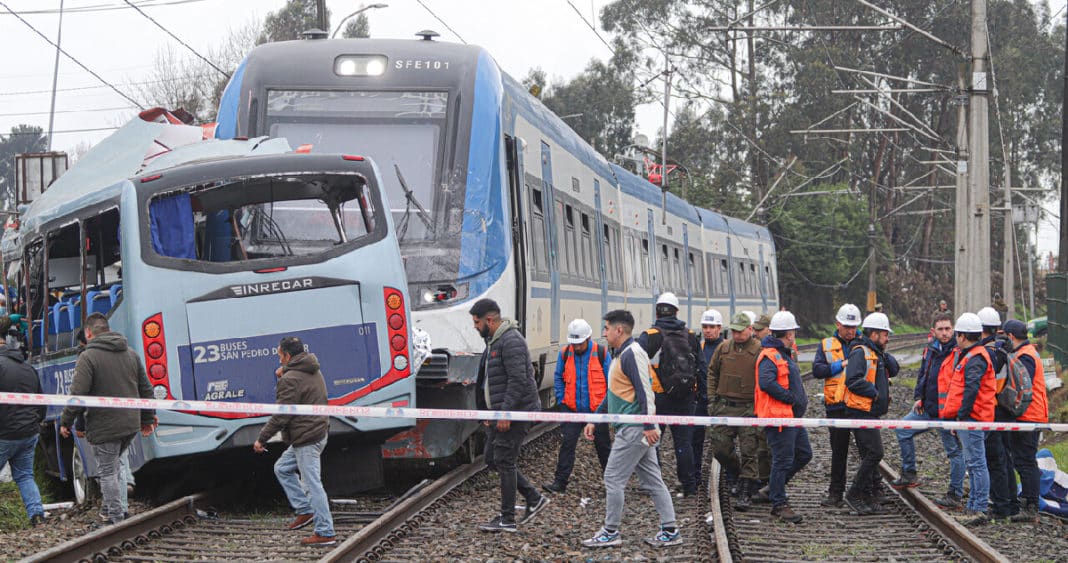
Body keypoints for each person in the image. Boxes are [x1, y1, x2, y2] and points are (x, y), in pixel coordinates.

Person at [583, 310, 681, 548]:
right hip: (635, 426)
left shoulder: (632, 354)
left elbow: (644, 391)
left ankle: (611, 531)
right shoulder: (621, 355)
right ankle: (670, 530)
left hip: (634, 428)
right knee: (653, 480)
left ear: (619, 330)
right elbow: (614, 394)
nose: (603, 333)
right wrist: (595, 419)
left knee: (612, 478)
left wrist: (648, 425)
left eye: (606, 328)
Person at [59, 313, 156, 525]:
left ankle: (114, 518)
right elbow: (146, 388)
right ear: (108, 329)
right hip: (130, 424)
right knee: (114, 466)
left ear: (88, 333)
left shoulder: (88, 357)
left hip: (105, 425)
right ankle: (108, 509)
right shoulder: (130, 353)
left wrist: (65, 422)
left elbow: (78, 394)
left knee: (108, 472)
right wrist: (147, 419)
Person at [469, 299, 548, 533]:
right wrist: (488, 412)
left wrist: (505, 413)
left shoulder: (510, 341)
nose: (475, 326)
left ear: (489, 320)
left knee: (504, 460)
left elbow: (518, 380)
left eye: (477, 322)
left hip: (515, 412)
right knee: (492, 458)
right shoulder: (494, 341)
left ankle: (507, 519)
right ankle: (534, 498)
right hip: (500, 413)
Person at [253, 337, 336, 546]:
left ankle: (325, 532)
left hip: (306, 437)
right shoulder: (312, 368)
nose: (279, 359)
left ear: (288, 356)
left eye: (280, 355)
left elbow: (282, 414)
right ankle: (305, 510)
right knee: (282, 468)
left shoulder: (290, 379)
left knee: (312, 485)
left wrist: (262, 439)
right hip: (316, 432)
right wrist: (285, 374)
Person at [891, 312, 966, 510]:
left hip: (947, 413)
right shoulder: (930, 350)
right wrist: (918, 397)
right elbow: (923, 374)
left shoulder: (958, 352)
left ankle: (955, 494)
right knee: (902, 430)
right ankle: (909, 473)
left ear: (954, 330)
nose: (945, 333)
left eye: (948, 329)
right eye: (940, 329)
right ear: (933, 331)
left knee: (954, 452)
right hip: (927, 408)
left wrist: (956, 415)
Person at [637, 292, 701, 497]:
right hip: (685, 397)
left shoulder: (651, 335)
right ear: (677, 311)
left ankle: (654, 484)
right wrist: (700, 396)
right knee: (683, 443)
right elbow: (701, 366)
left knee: (654, 441)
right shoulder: (690, 335)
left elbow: (634, 363)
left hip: (659, 398)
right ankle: (689, 485)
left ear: (657, 311)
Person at [941, 313, 998, 526]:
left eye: (957, 334)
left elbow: (971, 388)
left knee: (976, 463)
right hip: (974, 417)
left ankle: (978, 508)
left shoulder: (975, 357)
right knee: (974, 463)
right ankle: (973, 506)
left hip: (974, 418)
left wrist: (962, 417)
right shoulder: (975, 355)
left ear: (963, 336)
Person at [755, 310, 812, 524]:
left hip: (790, 417)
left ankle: (773, 488)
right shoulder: (770, 355)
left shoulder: (782, 352)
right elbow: (766, 382)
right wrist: (790, 398)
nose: (794, 336)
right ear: (788, 334)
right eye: (793, 332)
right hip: (779, 418)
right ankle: (778, 503)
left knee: (804, 454)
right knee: (782, 461)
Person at [544, 318, 611, 494]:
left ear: (588, 339)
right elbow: (558, 377)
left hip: (596, 411)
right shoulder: (565, 353)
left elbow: (611, 383)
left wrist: (603, 409)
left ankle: (612, 483)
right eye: (574, 343)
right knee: (567, 444)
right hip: (572, 409)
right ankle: (560, 483)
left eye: (579, 344)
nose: (576, 347)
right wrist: (561, 400)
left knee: (603, 447)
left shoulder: (601, 353)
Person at [707, 312, 765, 510]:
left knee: (750, 450)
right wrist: (712, 400)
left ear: (750, 329)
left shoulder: (759, 350)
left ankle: (745, 491)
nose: (737, 335)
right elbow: (712, 372)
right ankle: (737, 473)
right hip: (725, 406)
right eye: (734, 331)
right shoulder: (723, 348)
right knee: (720, 448)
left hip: (749, 407)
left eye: (741, 331)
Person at [842, 313, 898, 515]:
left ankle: (869, 493)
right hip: (860, 411)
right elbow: (853, 380)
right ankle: (854, 493)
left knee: (869, 453)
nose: (887, 338)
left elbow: (895, 369)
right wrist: (874, 393)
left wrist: (884, 352)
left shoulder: (875, 352)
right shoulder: (860, 352)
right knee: (875, 453)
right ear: (874, 334)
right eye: (884, 334)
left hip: (869, 411)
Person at [812, 303, 862, 508]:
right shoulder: (825, 345)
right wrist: (839, 365)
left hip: (860, 405)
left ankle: (868, 491)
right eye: (847, 326)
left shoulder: (863, 343)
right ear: (838, 325)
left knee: (867, 451)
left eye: (854, 327)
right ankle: (836, 492)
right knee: (839, 452)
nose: (851, 331)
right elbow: (817, 370)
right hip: (836, 406)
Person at [0, 315, 46, 527]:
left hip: (4, 433)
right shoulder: (28, 368)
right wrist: (38, 423)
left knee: (24, 474)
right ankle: (36, 514)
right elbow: (41, 401)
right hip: (29, 432)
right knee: (25, 475)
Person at [1001, 319, 1048, 523]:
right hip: (1030, 415)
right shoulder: (1027, 352)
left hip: (1029, 416)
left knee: (1025, 461)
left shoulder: (1025, 356)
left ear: (1011, 337)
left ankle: (1031, 506)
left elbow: (1021, 385)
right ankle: (1029, 500)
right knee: (1024, 459)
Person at [692, 309, 723, 487]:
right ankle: (695, 476)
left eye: (711, 327)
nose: (708, 330)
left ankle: (729, 477)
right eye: (705, 327)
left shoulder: (726, 347)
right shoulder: (700, 348)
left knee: (722, 440)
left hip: (720, 401)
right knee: (695, 439)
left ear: (719, 328)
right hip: (701, 400)